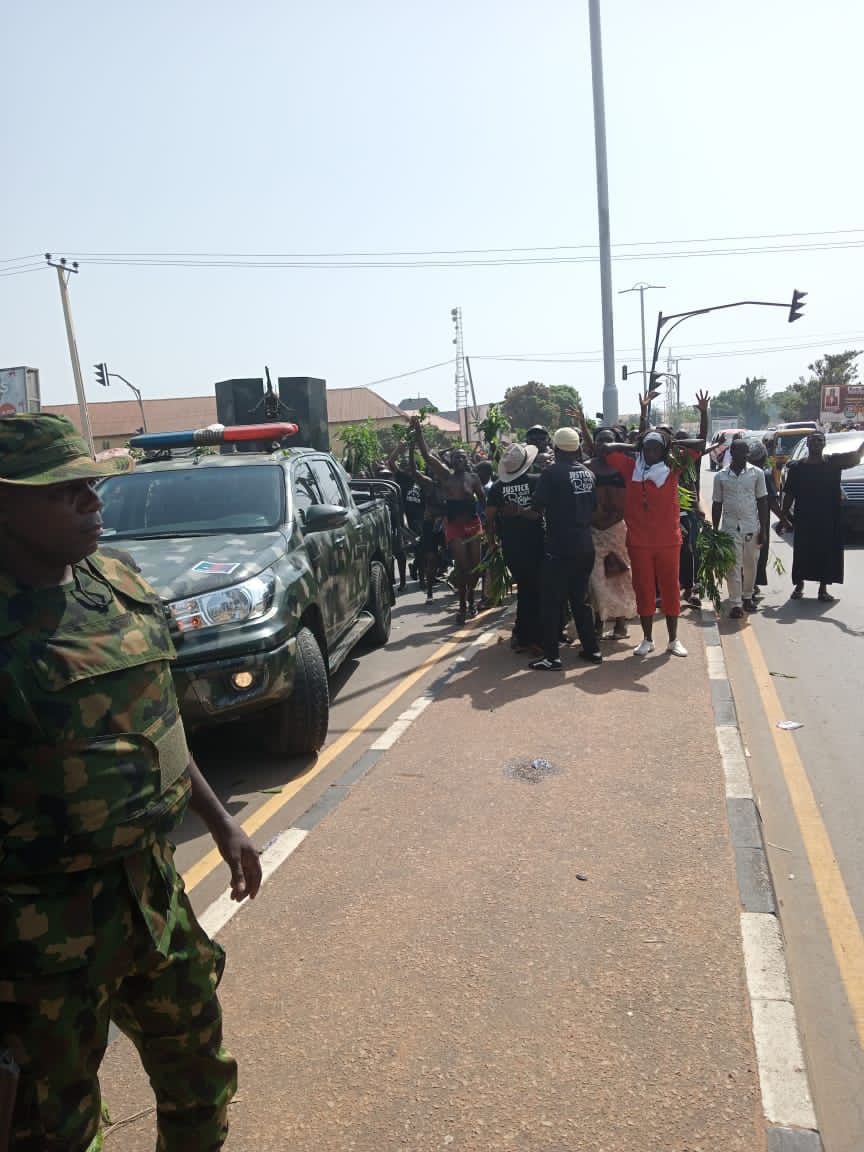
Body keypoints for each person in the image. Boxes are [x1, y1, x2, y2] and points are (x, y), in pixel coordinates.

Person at [0, 413, 262, 1152]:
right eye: (64, 491)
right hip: (36, 927)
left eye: (91, 484)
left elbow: (159, 719)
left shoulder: (114, 582)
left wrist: (221, 822)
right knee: (55, 1123)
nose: (91, 502)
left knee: (200, 1078)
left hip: (150, 894)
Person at [604, 394, 709, 657]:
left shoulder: (673, 467)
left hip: (668, 541)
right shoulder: (631, 468)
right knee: (644, 591)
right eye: (647, 449)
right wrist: (637, 444)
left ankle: (673, 640)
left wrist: (703, 415)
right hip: (638, 543)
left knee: (671, 589)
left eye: (655, 449)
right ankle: (648, 639)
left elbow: (701, 443)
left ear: (664, 451)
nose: (650, 454)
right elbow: (605, 449)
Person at [529, 427, 601, 670]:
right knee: (581, 600)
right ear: (578, 448)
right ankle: (592, 650)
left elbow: (537, 508)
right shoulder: (588, 474)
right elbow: (593, 508)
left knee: (551, 602)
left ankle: (552, 657)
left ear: (556, 448)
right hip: (585, 544)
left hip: (559, 546)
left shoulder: (551, 474)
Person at [412, 416, 486, 623]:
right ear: (451, 461)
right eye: (456, 458)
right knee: (462, 567)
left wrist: (490, 527)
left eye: (463, 457)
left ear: (468, 461)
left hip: (473, 525)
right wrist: (418, 432)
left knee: (475, 569)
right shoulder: (446, 476)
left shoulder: (474, 479)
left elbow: (484, 502)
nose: (460, 460)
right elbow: (427, 456)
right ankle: (462, 606)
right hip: (454, 526)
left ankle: (471, 599)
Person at [781, 430, 864, 601]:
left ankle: (823, 589)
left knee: (826, 552)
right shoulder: (797, 467)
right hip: (804, 518)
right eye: (813, 441)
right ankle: (799, 585)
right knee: (802, 553)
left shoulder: (833, 462)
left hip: (828, 517)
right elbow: (789, 493)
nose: (816, 443)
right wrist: (784, 517)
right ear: (808, 444)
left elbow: (857, 455)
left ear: (824, 444)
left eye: (820, 441)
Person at [486, 443, 544, 653]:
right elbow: (540, 513)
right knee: (534, 591)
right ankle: (530, 638)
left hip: (512, 547)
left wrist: (492, 543)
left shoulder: (497, 487)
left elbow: (489, 519)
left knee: (526, 590)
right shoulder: (536, 481)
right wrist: (522, 511)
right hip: (536, 544)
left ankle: (521, 635)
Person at [582, 425, 636, 639]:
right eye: (600, 440)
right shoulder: (586, 468)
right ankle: (599, 620)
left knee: (619, 575)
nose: (604, 445)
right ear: (594, 444)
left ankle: (620, 623)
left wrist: (611, 519)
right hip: (593, 529)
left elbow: (624, 503)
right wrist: (594, 520)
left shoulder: (622, 469)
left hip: (616, 529)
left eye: (609, 440)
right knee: (595, 579)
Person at [711, 436, 769, 618]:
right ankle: (736, 603)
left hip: (751, 526)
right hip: (729, 527)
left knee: (751, 564)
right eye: (737, 452)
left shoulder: (757, 474)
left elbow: (762, 502)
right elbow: (717, 504)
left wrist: (764, 529)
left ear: (747, 454)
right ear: (732, 453)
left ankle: (747, 596)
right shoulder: (720, 476)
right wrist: (715, 531)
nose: (742, 455)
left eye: (745, 452)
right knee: (732, 566)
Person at [748, 440, 791, 597]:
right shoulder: (764, 474)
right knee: (759, 554)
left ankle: (747, 585)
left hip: (743, 520)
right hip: (760, 521)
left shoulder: (740, 472)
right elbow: (771, 501)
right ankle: (751, 586)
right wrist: (784, 520)